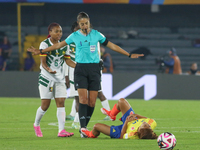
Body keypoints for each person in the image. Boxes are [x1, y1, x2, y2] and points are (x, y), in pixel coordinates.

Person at [27, 12, 144, 138]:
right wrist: (41, 51)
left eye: (86, 23)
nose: (84, 26)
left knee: (92, 102)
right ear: (79, 24)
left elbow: (112, 45)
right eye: (82, 24)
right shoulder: (74, 36)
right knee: (83, 99)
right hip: (80, 69)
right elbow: (59, 45)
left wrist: (129, 54)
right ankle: (83, 129)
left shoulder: (96, 34)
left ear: (89, 22)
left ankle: (84, 127)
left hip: (94, 70)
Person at [33, 22, 76, 137]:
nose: (59, 33)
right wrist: (49, 70)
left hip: (59, 78)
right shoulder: (44, 44)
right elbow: (43, 63)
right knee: (45, 105)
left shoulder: (64, 45)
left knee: (61, 102)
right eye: (56, 31)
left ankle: (61, 131)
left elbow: (68, 61)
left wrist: (79, 66)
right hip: (46, 78)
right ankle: (36, 124)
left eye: (60, 31)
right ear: (50, 32)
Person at [65, 22, 111, 130]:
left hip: (91, 71)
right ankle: (77, 120)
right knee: (80, 97)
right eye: (78, 28)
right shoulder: (72, 42)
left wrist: (98, 64)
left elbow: (96, 53)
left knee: (95, 95)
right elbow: (66, 59)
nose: (82, 29)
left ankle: (79, 121)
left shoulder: (93, 39)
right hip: (77, 73)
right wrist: (67, 75)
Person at [81, 98, 158, 139]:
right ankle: (112, 114)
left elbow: (122, 137)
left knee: (96, 126)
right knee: (121, 101)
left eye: (144, 125)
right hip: (132, 118)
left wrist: (126, 122)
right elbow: (147, 119)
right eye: (148, 126)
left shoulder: (132, 135)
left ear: (139, 130)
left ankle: (91, 135)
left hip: (121, 130)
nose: (145, 123)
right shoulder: (152, 123)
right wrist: (136, 115)